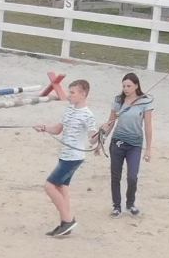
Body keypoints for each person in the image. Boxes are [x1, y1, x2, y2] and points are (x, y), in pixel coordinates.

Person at [33, 79, 98, 238]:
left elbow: (92, 138)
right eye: (69, 92)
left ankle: (68, 220)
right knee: (62, 187)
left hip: (74, 157)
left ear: (83, 94)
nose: (69, 95)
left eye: (72, 92)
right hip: (64, 155)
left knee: (49, 186)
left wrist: (101, 133)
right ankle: (65, 222)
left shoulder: (88, 115)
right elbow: (57, 129)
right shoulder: (69, 110)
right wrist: (44, 128)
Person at [101, 72, 155, 217]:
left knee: (132, 176)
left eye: (129, 86)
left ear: (136, 86)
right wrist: (102, 137)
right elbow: (110, 123)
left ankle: (130, 203)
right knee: (115, 176)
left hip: (135, 144)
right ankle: (116, 206)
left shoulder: (145, 102)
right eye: (124, 86)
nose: (126, 88)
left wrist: (148, 149)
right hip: (117, 142)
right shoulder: (118, 101)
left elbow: (148, 126)